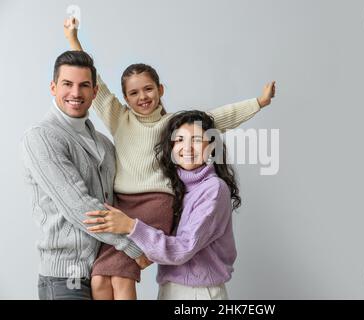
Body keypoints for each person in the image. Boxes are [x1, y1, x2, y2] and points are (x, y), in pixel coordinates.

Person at [64, 17, 275, 300]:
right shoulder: (119, 118)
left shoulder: (175, 125)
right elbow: (96, 84)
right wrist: (73, 40)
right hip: (122, 203)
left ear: (161, 90)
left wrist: (258, 103)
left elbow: (217, 119)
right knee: (100, 277)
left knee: (122, 276)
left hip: (156, 202)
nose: (142, 97)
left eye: (148, 89)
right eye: (133, 92)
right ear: (125, 98)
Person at [22, 50, 149, 300]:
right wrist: (133, 245)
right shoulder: (41, 137)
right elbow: (79, 207)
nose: (76, 93)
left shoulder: (104, 143)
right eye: (67, 84)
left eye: (84, 85)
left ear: (94, 92)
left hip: (103, 272)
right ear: (53, 87)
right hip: (66, 279)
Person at [84, 110, 241, 300]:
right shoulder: (177, 188)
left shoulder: (213, 189)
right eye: (180, 140)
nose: (188, 147)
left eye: (197, 140)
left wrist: (129, 225)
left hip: (199, 293)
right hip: (170, 289)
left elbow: (182, 249)